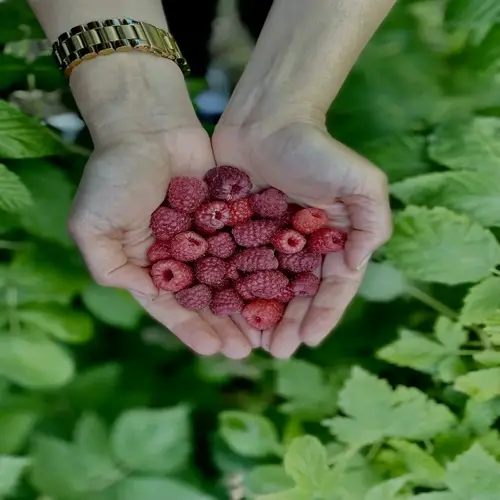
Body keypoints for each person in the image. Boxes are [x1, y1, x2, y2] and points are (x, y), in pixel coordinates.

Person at [28, 0, 394, 360]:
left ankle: (233, 67)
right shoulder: (228, 242)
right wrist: (133, 118)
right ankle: (216, 68)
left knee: (244, 16)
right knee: (188, 22)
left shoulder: (241, 247)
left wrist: (284, 105)